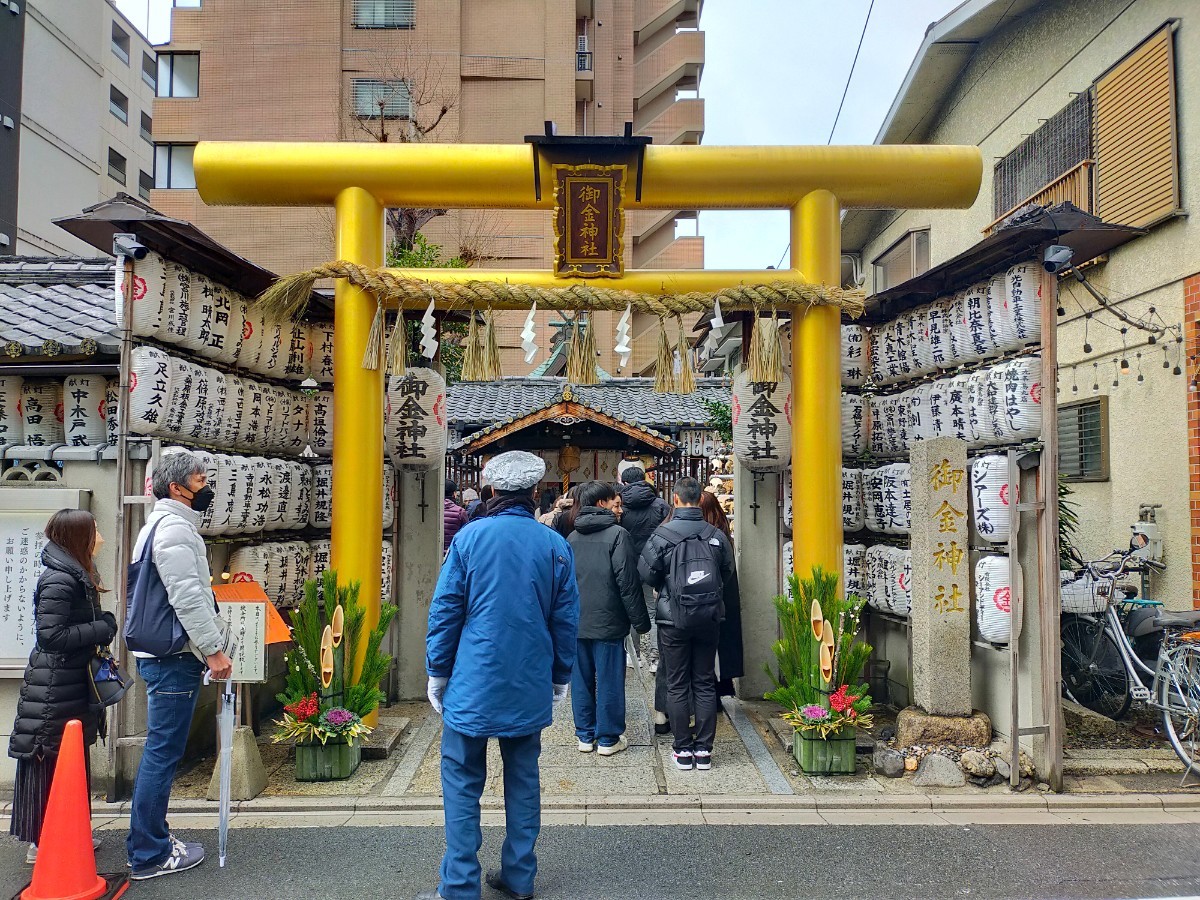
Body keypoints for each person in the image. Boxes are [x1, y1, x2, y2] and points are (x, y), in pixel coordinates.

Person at [421, 451, 579, 900]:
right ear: (534, 494)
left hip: (473, 676)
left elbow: (446, 610)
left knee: (461, 778)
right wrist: (560, 677)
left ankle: (459, 884)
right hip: (529, 676)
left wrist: (438, 670)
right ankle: (519, 877)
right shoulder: (554, 545)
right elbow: (565, 620)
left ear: (491, 491)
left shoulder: (470, 539)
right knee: (524, 777)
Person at [127, 450, 232, 880]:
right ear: (177, 488)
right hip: (173, 658)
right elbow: (186, 595)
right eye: (199, 479)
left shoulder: (163, 525)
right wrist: (213, 649)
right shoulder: (174, 530)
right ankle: (149, 852)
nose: (206, 485)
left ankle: (152, 840)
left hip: (164, 655)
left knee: (162, 750)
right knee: (163, 752)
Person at [9, 510, 116, 865]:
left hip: (68, 685)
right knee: (50, 760)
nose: (100, 535)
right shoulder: (60, 579)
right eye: (94, 530)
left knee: (69, 762)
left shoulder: (77, 573)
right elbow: (51, 637)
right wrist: (103, 628)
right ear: (79, 537)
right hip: (53, 689)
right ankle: (43, 841)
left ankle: (67, 833)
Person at [639, 477, 734, 771]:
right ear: (697, 499)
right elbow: (727, 573)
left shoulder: (662, 535)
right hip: (708, 617)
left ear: (676, 500)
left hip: (672, 618)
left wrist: (667, 587)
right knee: (704, 681)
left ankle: (682, 750)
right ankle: (704, 751)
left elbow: (646, 572)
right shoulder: (715, 535)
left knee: (677, 682)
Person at [567, 481, 651, 757]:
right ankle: (607, 738)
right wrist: (641, 622)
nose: (619, 507)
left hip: (576, 621)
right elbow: (627, 583)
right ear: (601, 503)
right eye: (614, 502)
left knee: (580, 679)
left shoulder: (571, 538)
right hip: (609, 620)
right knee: (609, 679)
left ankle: (584, 734)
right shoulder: (618, 535)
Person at [618, 467, 671, 720]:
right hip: (656, 562)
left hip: (627, 563)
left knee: (631, 608)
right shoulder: (660, 504)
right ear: (646, 479)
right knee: (653, 609)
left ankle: (632, 655)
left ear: (624, 481)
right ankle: (654, 658)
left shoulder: (621, 504)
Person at [699, 490, 744, 697]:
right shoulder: (722, 534)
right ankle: (720, 688)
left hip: (703, 601)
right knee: (721, 650)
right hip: (723, 600)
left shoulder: (703, 537)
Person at [443, 479, 469, 553]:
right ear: (454, 494)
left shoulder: (434, 510)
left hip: (434, 552)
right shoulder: (460, 512)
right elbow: (466, 534)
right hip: (452, 553)